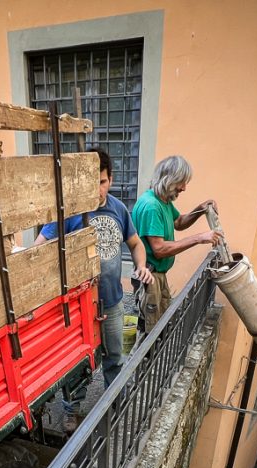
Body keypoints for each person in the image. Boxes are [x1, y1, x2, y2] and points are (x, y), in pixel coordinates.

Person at [35, 147, 153, 433]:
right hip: (78, 308)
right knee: (77, 364)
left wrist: (141, 265)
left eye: (101, 182)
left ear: (110, 180)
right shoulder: (69, 211)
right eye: (91, 182)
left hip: (112, 301)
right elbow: (39, 247)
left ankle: (116, 399)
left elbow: (136, 243)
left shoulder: (119, 209)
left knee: (115, 356)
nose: (97, 189)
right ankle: (71, 411)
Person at [131, 155, 221, 329]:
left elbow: (179, 222)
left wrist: (200, 209)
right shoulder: (152, 206)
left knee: (161, 323)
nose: (184, 188)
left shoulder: (162, 201)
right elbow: (159, 249)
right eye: (181, 182)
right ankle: (149, 347)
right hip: (150, 276)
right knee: (150, 329)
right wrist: (199, 238)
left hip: (158, 274)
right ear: (169, 179)